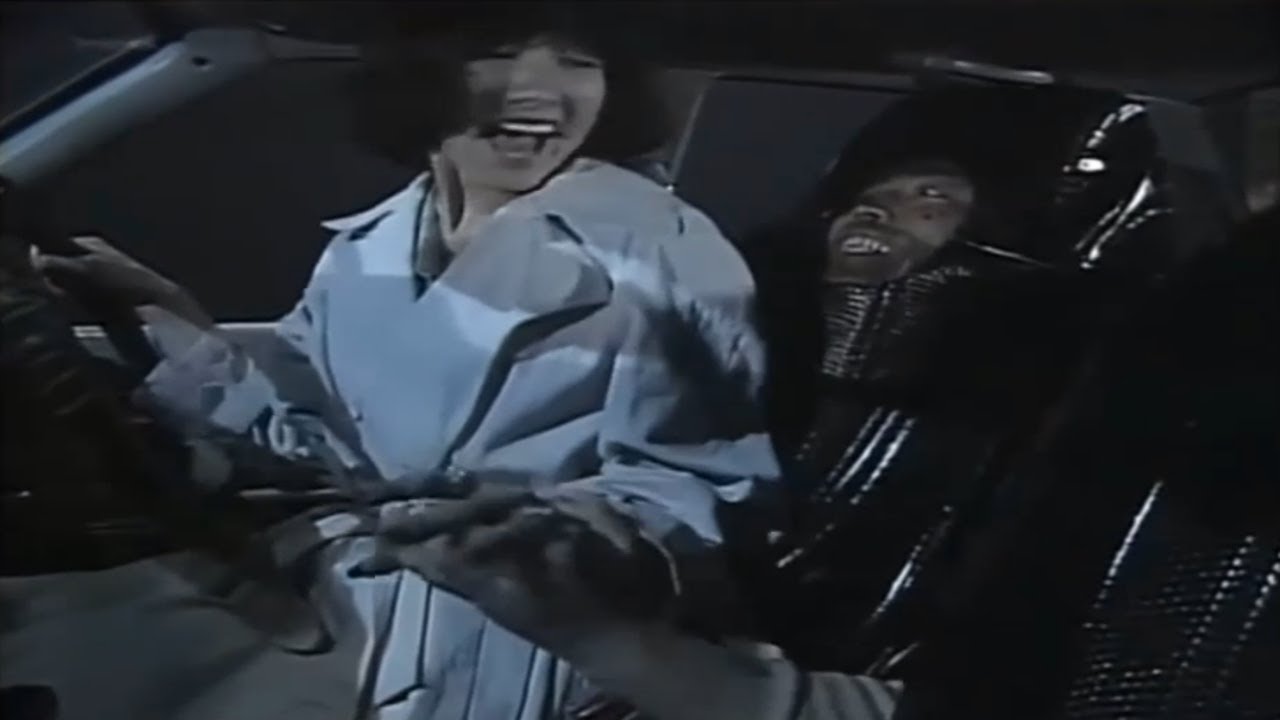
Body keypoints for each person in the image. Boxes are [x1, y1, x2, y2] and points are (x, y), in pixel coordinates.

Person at [7, 5, 779, 720]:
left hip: (499, 625)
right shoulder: (375, 239)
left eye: (578, 62)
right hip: (330, 583)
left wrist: (574, 535)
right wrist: (165, 317)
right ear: (417, 76)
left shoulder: (662, 248)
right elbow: (310, 441)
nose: (540, 89)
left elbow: (703, 487)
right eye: (496, 53)